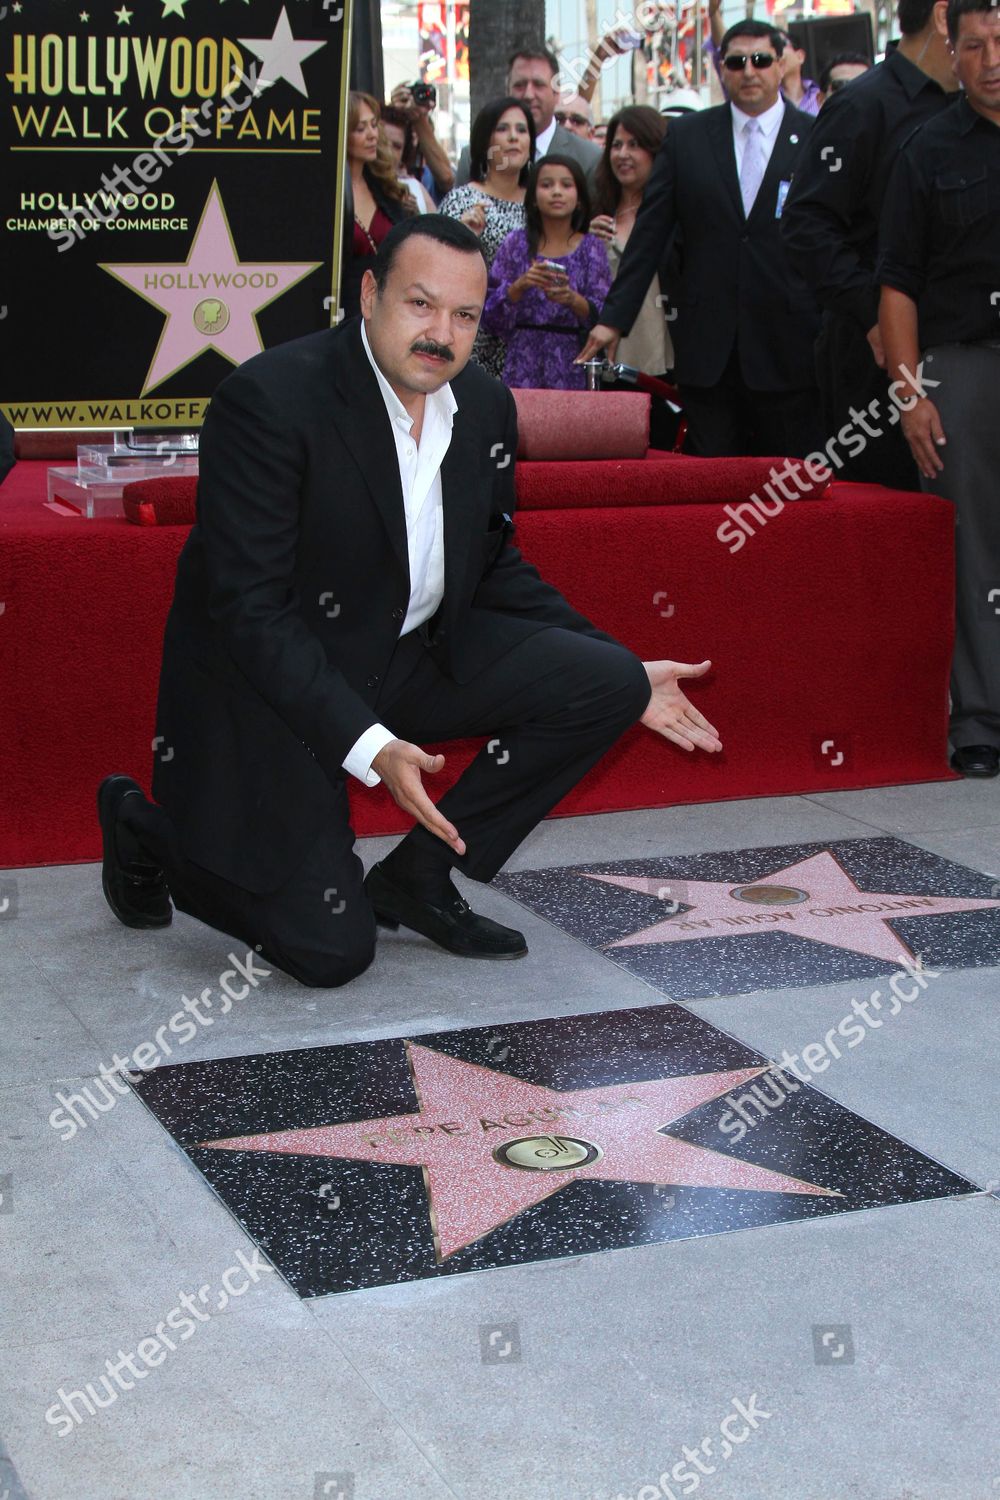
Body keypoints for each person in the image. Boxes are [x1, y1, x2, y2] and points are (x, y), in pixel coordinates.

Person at [97, 215, 722, 987]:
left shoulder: (485, 408)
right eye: (420, 305)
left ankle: (417, 878)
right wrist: (370, 745)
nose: (441, 333)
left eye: (464, 315)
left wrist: (622, 670)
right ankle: (145, 828)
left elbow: (495, 569)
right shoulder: (268, 401)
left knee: (610, 682)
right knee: (330, 953)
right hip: (265, 689)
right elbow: (249, 612)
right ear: (368, 293)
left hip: (399, 656)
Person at [580, 23, 823, 459]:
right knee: (710, 489)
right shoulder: (688, 136)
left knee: (789, 491)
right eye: (736, 61)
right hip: (708, 351)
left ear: (782, 64)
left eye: (761, 60)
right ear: (721, 69)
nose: (749, 71)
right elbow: (650, 234)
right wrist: (614, 318)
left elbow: (831, 237)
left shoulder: (814, 136)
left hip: (789, 348)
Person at [877, 0, 1000, 778]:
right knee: (975, 551)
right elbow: (897, 286)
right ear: (950, 52)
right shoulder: (924, 150)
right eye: (976, 45)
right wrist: (909, 395)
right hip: (961, 369)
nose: (992, 58)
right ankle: (982, 721)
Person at [780, 0, 959, 490]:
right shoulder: (863, 104)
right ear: (945, 15)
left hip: (961, 352)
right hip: (871, 360)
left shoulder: (973, 108)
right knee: (886, 518)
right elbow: (804, 223)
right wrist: (873, 313)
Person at [481, 155, 611, 389]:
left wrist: (572, 299)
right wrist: (519, 286)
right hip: (522, 362)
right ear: (532, 198)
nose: (557, 192)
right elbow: (488, 316)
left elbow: (604, 314)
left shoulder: (591, 247)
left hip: (574, 363)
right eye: (546, 185)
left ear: (580, 198)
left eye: (566, 185)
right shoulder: (516, 244)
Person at [438, 97, 533, 378]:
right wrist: (463, 235)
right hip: (474, 344)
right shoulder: (461, 201)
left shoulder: (545, 204)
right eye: (503, 129)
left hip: (533, 346)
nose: (514, 137)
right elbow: (437, 270)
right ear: (485, 140)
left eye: (522, 129)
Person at [589, 106, 674, 379]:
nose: (623, 154)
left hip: (665, 354)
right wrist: (584, 241)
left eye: (634, 145)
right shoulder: (594, 211)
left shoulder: (675, 214)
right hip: (607, 356)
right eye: (616, 145)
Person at [455, 48, 602, 189]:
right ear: (507, 91)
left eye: (538, 85)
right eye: (519, 85)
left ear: (556, 92)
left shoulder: (589, 159)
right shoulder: (474, 157)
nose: (529, 95)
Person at [341, 92, 415, 320]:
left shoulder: (385, 188)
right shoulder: (328, 195)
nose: (372, 134)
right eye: (360, 128)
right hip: (344, 313)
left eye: (374, 125)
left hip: (389, 311)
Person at [707, 1, 821, 113]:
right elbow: (724, 48)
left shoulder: (822, 96)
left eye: (781, 45)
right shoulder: (756, 93)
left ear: (800, 56)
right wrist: (714, 13)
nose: (748, 72)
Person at [388, 81, 455, 203]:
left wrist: (419, 118)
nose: (412, 137)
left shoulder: (431, 169)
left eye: (416, 132)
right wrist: (393, 111)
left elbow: (447, 179)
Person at [380, 104, 435, 212]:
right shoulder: (356, 186)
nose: (389, 152)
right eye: (383, 143)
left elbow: (437, 226)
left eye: (397, 147)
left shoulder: (415, 188)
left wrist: (415, 215)